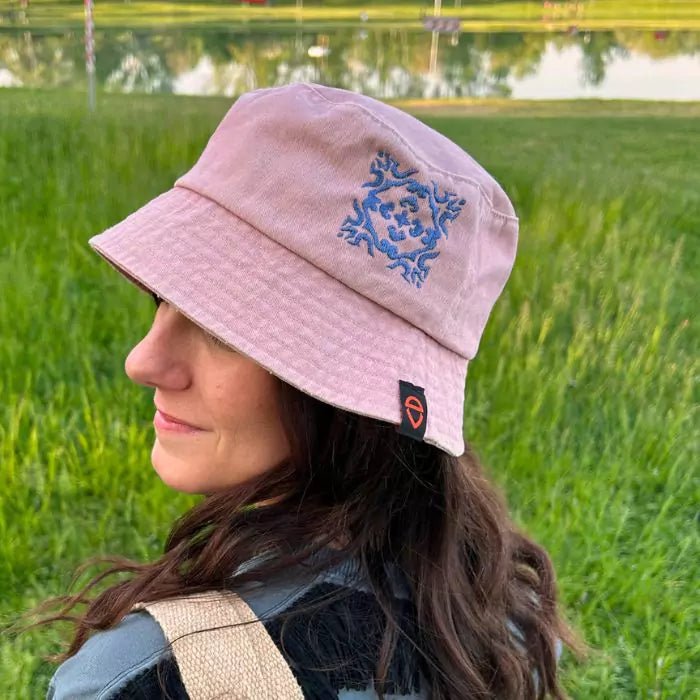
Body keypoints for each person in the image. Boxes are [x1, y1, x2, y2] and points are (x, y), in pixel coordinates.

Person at [19, 82, 585, 698]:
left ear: (346, 396)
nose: (144, 361)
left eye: (220, 326)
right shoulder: (506, 617)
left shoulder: (136, 677)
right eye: (163, 300)